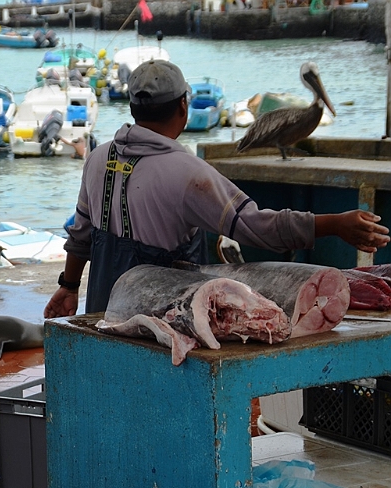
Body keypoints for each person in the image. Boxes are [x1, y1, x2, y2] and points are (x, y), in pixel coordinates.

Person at [44, 59, 390, 318]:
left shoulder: (98, 158)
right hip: (162, 325)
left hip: (103, 315)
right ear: (183, 106)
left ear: (133, 108)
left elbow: (81, 234)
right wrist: (334, 224)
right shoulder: (188, 173)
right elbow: (257, 227)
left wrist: (68, 287)